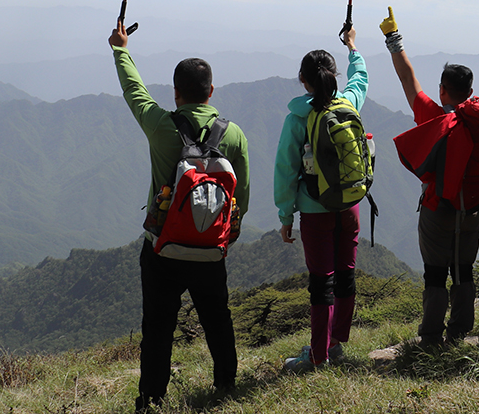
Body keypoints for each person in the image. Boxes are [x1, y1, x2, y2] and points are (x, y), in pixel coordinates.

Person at [109, 21, 250, 413]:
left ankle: (152, 398)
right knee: (217, 321)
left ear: (176, 92)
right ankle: (225, 385)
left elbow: (133, 91)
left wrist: (121, 49)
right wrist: (218, 238)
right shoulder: (234, 136)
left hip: (163, 250)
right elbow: (243, 198)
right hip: (210, 252)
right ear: (211, 92)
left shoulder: (161, 127)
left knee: (157, 327)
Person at [381, 7, 479, 345]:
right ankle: (460, 332)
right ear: (470, 91)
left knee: (435, 274)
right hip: (473, 208)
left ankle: (432, 336)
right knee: (463, 271)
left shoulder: (435, 116)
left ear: (444, 90)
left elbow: (408, 78)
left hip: (438, 208)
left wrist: (393, 38)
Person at [273, 27, 367, 372]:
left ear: (302, 79)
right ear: (333, 76)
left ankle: (317, 356)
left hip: (315, 209)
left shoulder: (298, 118)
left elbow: (285, 170)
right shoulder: (348, 102)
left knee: (321, 282)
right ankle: (335, 343)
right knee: (345, 275)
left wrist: (285, 215)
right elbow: (361, 79)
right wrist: (353, 47)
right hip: (350, 203)